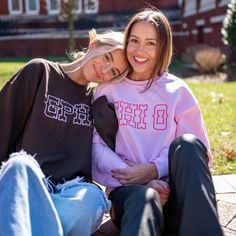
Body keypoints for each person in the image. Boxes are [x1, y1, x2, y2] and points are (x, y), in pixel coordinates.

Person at [92, 9, 223, 236]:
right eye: (134, 41)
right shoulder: (108, 90)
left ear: (162, 47)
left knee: (189, 144)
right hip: (130, 198)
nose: (139, 50)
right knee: (144, 198)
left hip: (174, 198)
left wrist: (154, 170)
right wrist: (141, 181)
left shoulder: (177, 91)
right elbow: (97, 148)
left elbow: (199, 154)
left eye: (150, 43)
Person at [0, 29, 128, 236]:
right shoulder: (41, 72)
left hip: (72, 192)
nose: (104, 70)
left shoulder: (100, 103)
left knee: (91, 202)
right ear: (93, 45)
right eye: (107, 57)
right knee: (18, 164)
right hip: (27, 183)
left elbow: (122, 150)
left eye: (113, 72)